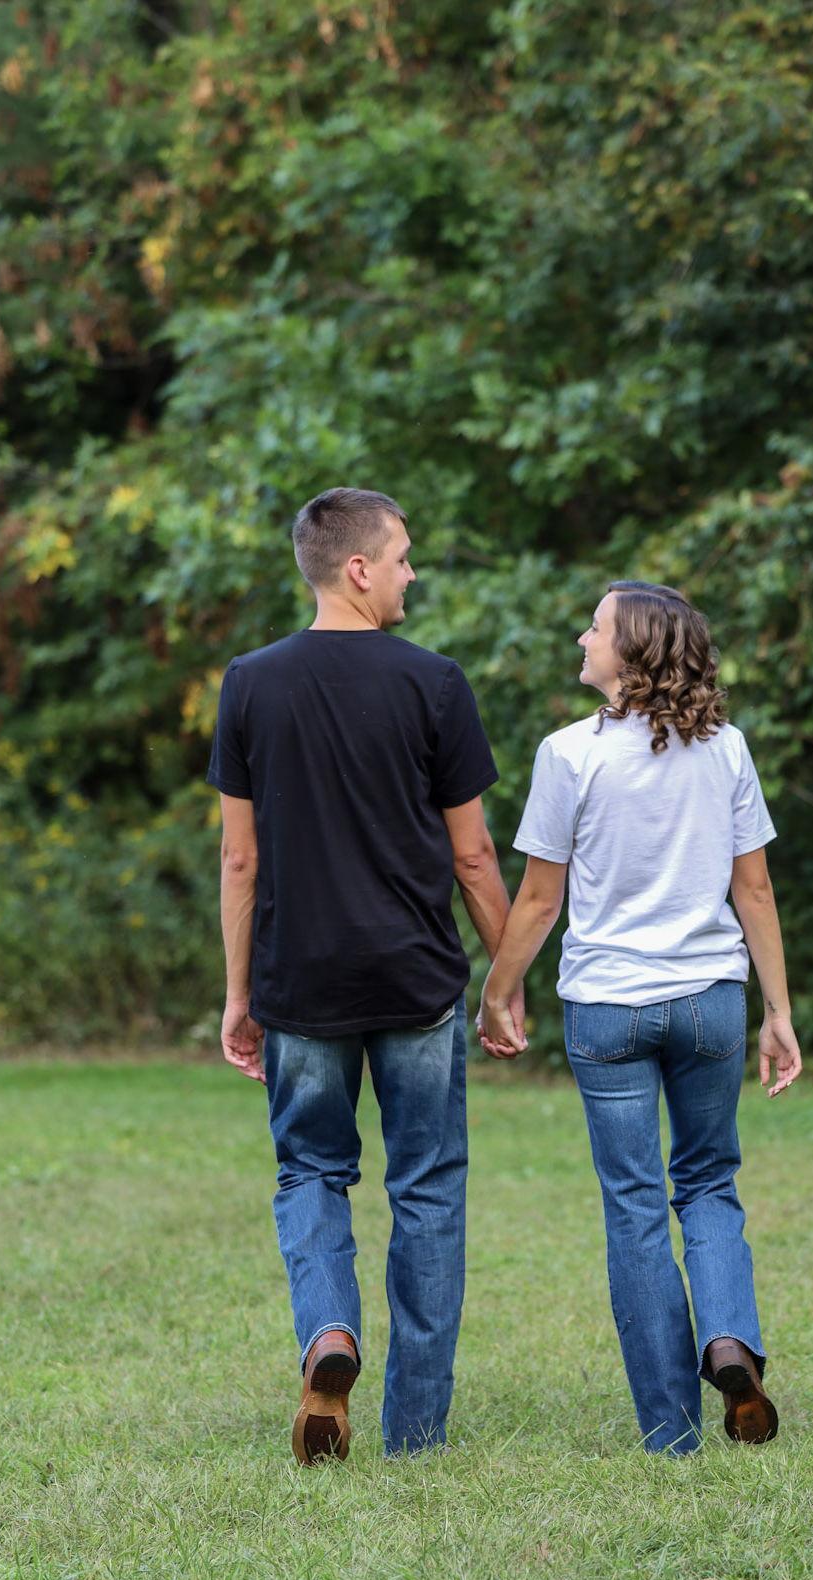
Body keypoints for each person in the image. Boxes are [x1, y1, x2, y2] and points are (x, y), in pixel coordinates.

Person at [207, 488, 519, 1464]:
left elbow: (240, 860)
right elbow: (473, 857)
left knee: (309, 1169)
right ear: (357, 568)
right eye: (401, 557)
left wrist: (238, 994)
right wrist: (505, 979)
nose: (410, 574)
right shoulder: (435, 683)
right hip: (416, 982)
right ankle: (415, 1430)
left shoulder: (249, 684)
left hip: (300, 981)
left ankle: (329, 1333)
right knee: (426, 1189)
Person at [478, 582, 801, 1454]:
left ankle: (669, 1429)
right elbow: (755, 889)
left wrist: (498, 991)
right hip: (709, 1001)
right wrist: (777, 1010)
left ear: (632, 652)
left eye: (596, 627)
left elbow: (539, 901)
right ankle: (727, 1341)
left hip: (608, 1008)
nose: (581, 637)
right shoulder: (727, 750)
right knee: (709, 1182)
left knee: (634, 1206)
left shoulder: (568, 754)